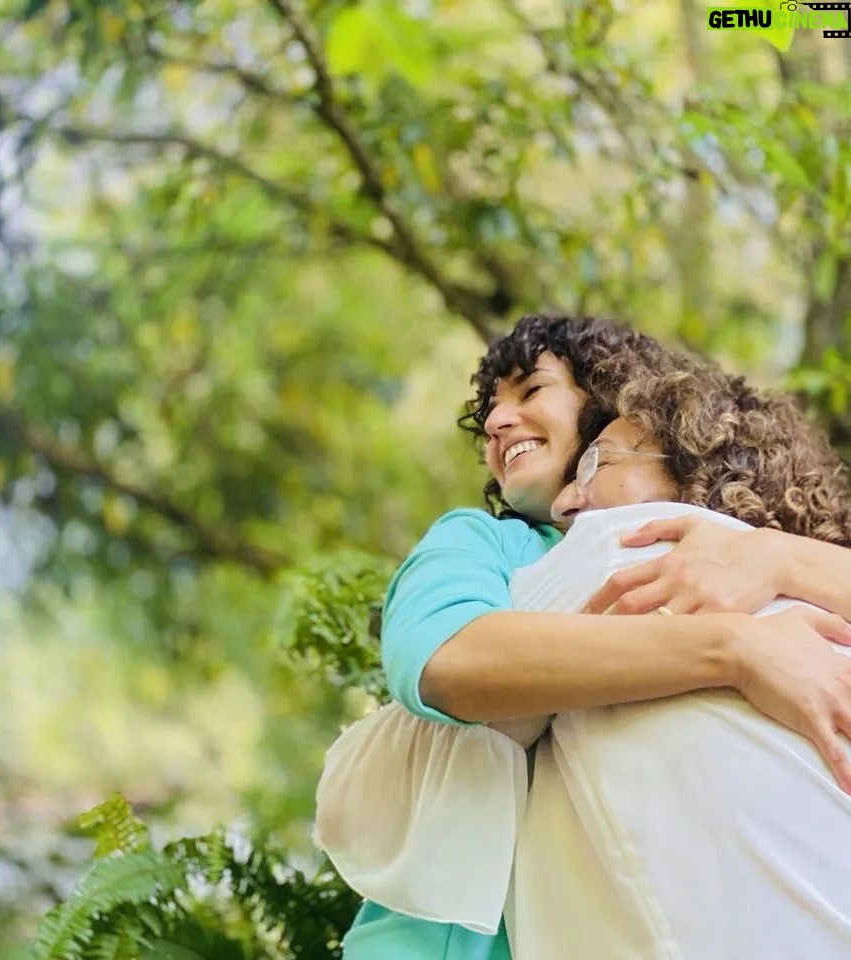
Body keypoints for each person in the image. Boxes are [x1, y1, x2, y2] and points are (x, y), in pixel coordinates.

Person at [328, 315, 851, 960]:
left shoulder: (729, 545)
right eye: (489, 410)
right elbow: (448, 660)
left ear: (607, 398)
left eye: (529, 390)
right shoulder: (486, 542)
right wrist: (734, 649)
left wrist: (780, 558)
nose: (496, 421)